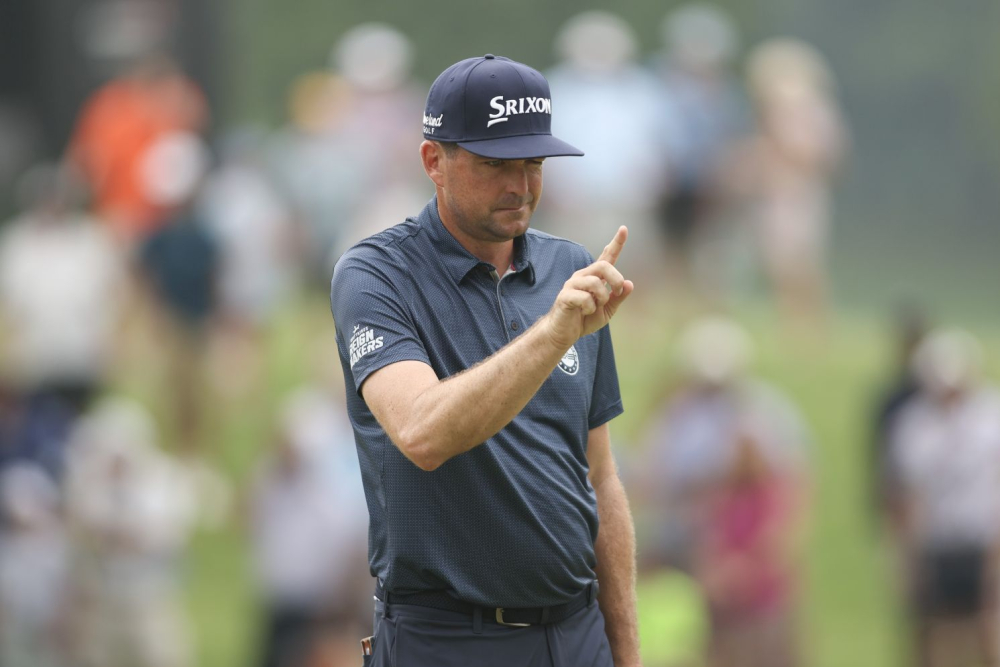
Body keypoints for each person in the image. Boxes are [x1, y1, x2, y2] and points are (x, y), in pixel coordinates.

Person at [329, 54, 640, 667]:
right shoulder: (376, 275)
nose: (520, 186)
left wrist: (625, 653)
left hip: (577, 637)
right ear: (433, 162)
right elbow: (422, 431)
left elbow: (599, 479)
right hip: (448, 640)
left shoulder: (566, 270)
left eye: (533, 163)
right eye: (497, 163)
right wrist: (554, 333)